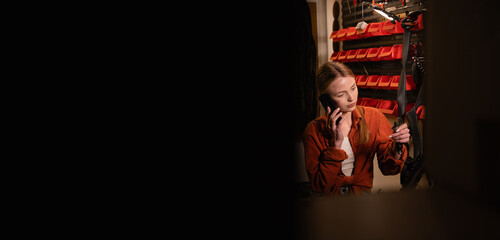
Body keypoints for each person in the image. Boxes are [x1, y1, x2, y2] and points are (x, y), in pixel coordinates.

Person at [303, 61, 410, 195]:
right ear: (326, 100)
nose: (351, 98)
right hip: (329, 203)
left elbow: (389, 170)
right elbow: (319, 187)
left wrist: (398, 147)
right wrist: (336, 146)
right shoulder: (313, 130)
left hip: (361, 199)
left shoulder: (374, 117)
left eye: (353, 88)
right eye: (341, 95)